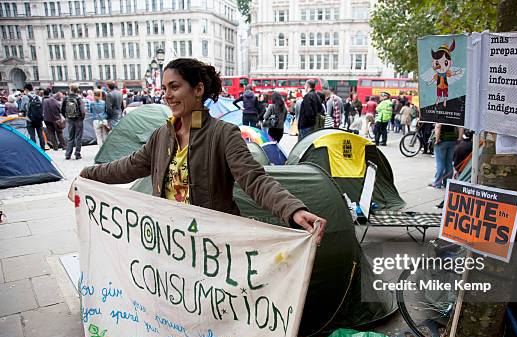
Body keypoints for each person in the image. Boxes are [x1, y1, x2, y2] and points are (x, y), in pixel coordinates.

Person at [78, 58, 326, 244]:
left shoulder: (223, 134)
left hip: (212, 243)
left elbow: (255, 179)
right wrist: (88, 174)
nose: (167, 95)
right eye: (164, 89)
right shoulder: (162, 135)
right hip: (166, 241)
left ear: (198, 90)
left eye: (174, 87)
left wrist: (293, 209)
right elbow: (127, 167)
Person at [430, 124, 462, 188]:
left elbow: (438, 126)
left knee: (440, 163)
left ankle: (437, 183)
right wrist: (459, 138)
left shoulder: (442, 114)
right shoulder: (455, 114)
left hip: (442, 140)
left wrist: (437, 139)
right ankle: (447, 183)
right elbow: (460, 126)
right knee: (449, 163)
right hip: (452, 140)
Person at [61, 83, 86, 160]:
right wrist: (82, 118)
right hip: (78, 120)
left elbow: (62, 110)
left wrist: (67, 117)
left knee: (70, 137)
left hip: (70, 120)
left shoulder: (66, 98)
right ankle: (77, 154)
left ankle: (68, 154)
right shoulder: (79, 99)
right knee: (78, 137)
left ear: (70, 89)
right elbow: (83, 111)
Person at [19, 84, 46, 149]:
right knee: (40, 134)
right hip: (38, 119)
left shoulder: (25, 97)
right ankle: (43, 148)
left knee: (32, 136)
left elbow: (22, 108)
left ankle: (35, 149)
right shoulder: (38, 97)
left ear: (26, 90)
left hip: (29, 119)